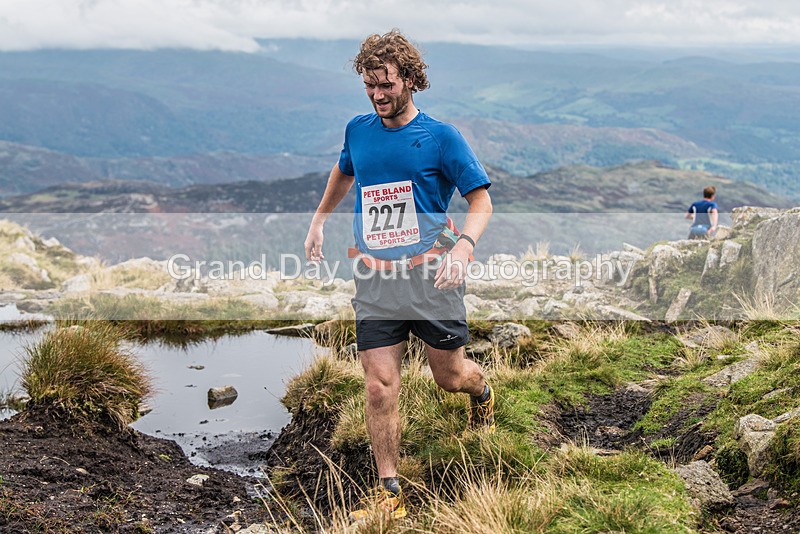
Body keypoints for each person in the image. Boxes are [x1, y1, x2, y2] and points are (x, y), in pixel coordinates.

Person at [303, 29, 494, 522]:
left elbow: (480, 200)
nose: (377, 95)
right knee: (379, 384)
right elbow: (345, 171)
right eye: (369, 86)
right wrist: (319, 220)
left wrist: (465, 248)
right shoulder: (358, 129)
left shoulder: (441, 137)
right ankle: (389, 484)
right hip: (375, 275)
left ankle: (483, 391)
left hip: (434, 274)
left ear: (410, 79)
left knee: (450, 377)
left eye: (385, 84)